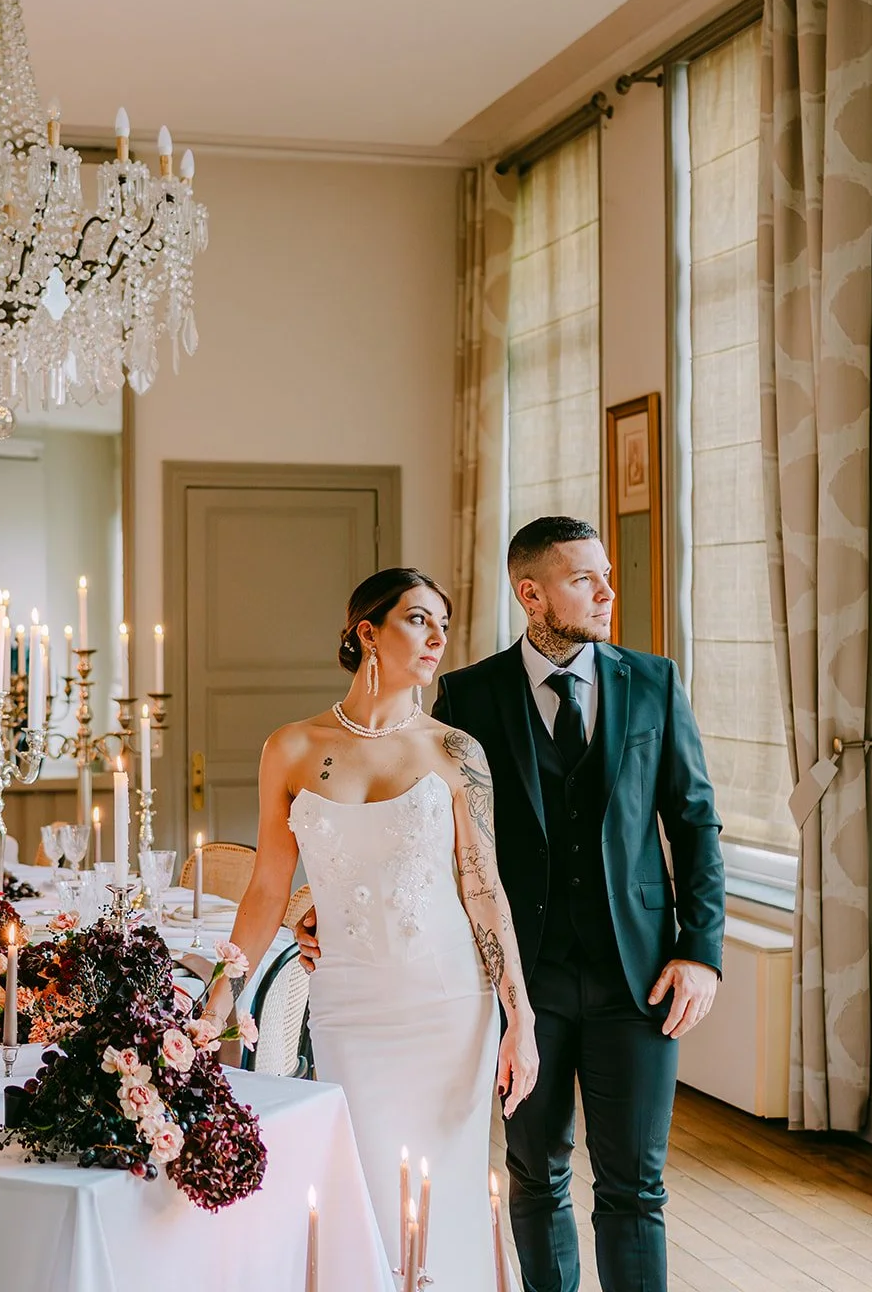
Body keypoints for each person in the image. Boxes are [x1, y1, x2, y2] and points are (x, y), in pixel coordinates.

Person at [299, 518, 725, 1292]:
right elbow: (420, 828)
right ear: (531, 593)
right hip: (517, 981)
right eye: (583, 578)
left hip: (643, 976)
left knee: (637, 1187)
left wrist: (701, 951)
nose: (607, 590)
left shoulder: (654, 682)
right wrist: (325, 899)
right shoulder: (468, 695)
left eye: (604, 575)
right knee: (536, 1176)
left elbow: (693, 822)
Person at [204, 567, 538, 1290]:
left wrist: (521, 1013)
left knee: (443, 1193)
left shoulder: (456, 753)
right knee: (365, 1190)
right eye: (418, 619)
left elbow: (485, 891)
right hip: (351, 1005)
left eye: (443, 623)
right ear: (368, 632)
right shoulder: (289, 748)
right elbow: (269, 884)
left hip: (450, 1005)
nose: (437, 636)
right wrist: (221, 994)